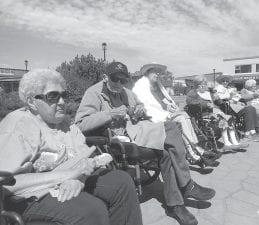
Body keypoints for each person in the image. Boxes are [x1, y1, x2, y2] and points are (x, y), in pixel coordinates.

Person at [75, 61, 216, 225]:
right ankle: (182, 192)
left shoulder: (126, 92)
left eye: (123, 80)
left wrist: (140, 108)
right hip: (116, 139)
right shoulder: (93, 93)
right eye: (115, 79)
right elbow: (80, 124)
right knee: (168, 141)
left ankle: (178, 200)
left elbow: (139, 104)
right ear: (105, 77)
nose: (120, 84)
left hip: (135, 130)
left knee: (169, 137)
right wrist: (110, 114)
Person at [0, 69, 143, 225]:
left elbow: (85, 159)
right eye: (53, 96)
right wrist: (66, 176)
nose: (62, 101)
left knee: (122, 181)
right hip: (28, 196)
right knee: (92, 211)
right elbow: (9, 185)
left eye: (63, 95)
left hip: (68, 178)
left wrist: (79, 178)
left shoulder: (65, 124)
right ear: (31, 101)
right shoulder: (19, 126)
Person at [132, 63, 221, 166]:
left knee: (184, 115)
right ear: (147, 72)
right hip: (152, 117)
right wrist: (165, 109)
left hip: (163, 113)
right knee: (182, 118)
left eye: (158, 72)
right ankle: (194, 152)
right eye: (154, 72)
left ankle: (195, 150)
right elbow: (146, 106)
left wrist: (170, 105)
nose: (157, 74)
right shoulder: (140, 87)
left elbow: (164, 100)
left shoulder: (157, 86)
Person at [186, 76, 249, 150]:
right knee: (223, 120)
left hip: (215, 112)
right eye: (202, 83)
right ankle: (227, 143)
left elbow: (219, 102)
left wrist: (215, 95)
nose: (204, 85)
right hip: (203, 115)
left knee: (229, 119)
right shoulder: (192, 93)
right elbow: (191, 103)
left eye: (205, 83)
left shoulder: (208, 92)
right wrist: (205, 104)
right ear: (197, 84)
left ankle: (235, 142)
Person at [214, 75, 259, 141]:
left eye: (227, 81)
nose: (225, 82)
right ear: (221, 82)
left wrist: (236, 97)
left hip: (233, 104)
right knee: (249, 109)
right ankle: (248, 133)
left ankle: (252, 131)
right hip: (226, 106)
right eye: (224, 81)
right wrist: (231, 96)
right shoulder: (218, 88)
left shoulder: (228, 89)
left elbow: (237, 97)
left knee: (251, 108)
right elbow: (219, 98)